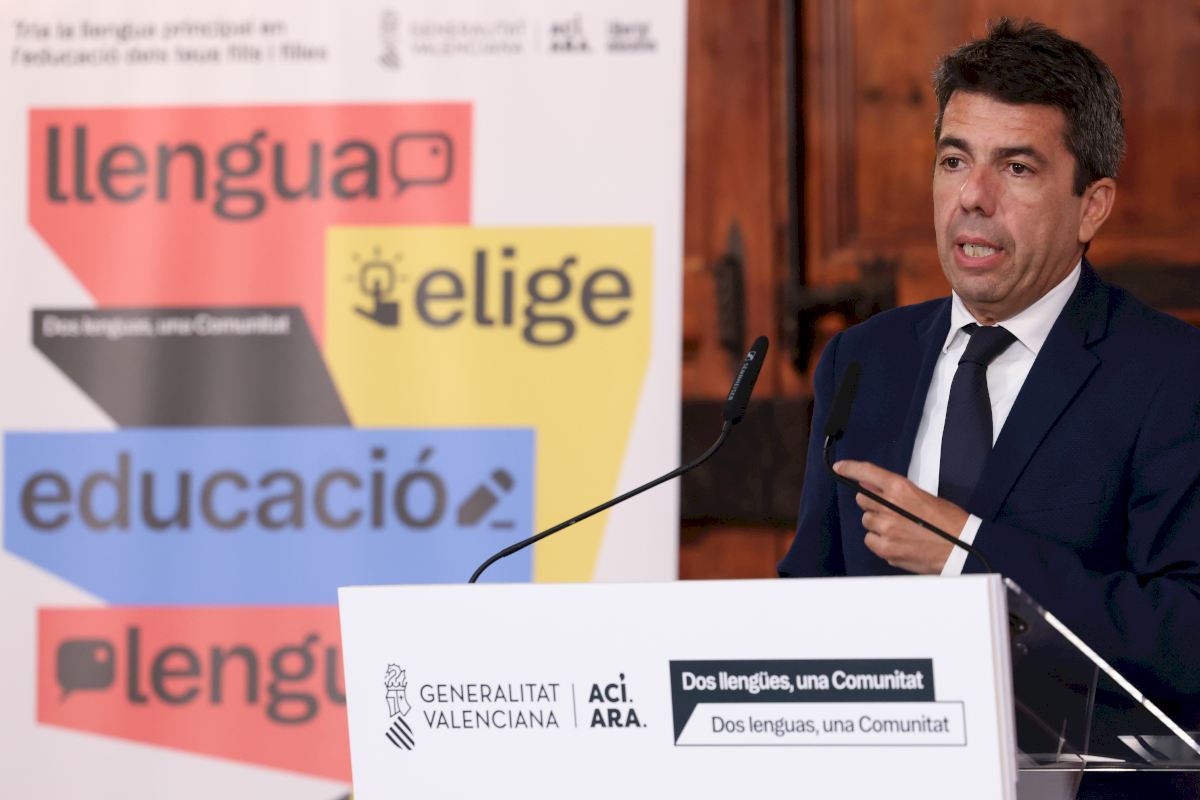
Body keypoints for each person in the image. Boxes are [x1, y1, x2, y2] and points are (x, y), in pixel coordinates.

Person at [778, 18, 1200, 727]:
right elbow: (809, 594)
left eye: (1016, 168)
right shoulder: (862, 360)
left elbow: (1186, 634)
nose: (973, 196)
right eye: (954, 160)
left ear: (1092, 206)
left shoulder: (1171, 375)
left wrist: (967, 553)